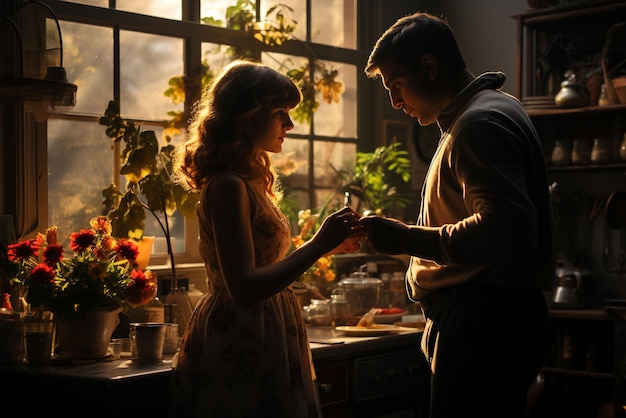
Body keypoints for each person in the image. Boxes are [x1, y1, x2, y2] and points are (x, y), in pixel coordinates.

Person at [360, 12, 556, 418]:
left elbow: (508, 232)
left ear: (429, 67)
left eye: (396, 85)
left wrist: (406, 238)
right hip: (489, 319)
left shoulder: (478, 124)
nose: (395, 101)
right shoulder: (489, 111)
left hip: (483, 322)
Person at [169, 60, 364, 418]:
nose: (289, 125)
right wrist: (317, 245)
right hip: (242, 335)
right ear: (247, 115)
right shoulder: (228, 186)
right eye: (280, 112)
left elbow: (266, 267)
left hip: (267, 329)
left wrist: (330, 247)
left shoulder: (249, 182)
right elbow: (244, 288)